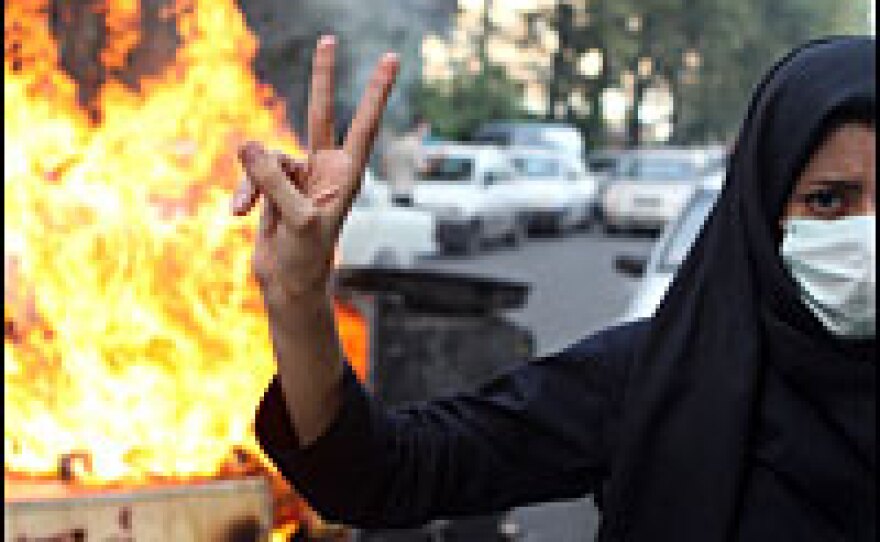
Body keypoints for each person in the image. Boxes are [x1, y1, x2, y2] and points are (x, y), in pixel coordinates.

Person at [231, 35, 875, 540]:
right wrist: (300, 297)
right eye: (827, 201)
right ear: (762, 216)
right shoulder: (652, 379)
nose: (865, 232)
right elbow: (385, 474)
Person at [381, 115, 430, 205]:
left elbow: (385, 163)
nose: (427, 133)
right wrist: (438, 160)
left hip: (393, 191)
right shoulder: (415, 145)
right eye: (426, 129)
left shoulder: (397, 143)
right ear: (419, 127)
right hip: (406, 193)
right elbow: (423, 169)